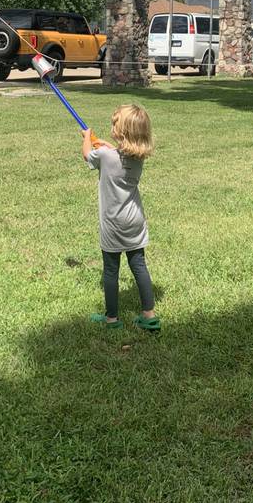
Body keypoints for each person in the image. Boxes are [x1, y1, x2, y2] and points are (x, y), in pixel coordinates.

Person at [82, 104, 160, 332]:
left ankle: (112, 320)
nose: (112, 127)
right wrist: (104, 144)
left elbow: (88, 155)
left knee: (110, 271)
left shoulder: (105, 156)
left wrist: (87, 138)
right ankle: (149, 315)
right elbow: (114, 153)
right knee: (139, 266)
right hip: (135, 221)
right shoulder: (138, 157)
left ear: (122, 133)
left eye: (114, 124)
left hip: (113, 224)